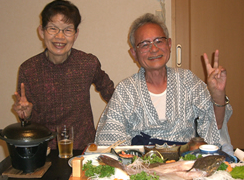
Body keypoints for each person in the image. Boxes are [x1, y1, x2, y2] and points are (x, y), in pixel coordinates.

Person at [95, 13, 233, 155]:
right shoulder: (126, 90)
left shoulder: (188, 80)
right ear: (134, 53)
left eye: (159, 41)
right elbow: (111, 137)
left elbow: (216, 125)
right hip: (141, 166)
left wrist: (218, 95)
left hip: (185, 161)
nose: (154, 49)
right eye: (144, 44)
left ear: (169, 44)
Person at [13, 0, 114, 149]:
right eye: (53, 29)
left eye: (67, 30)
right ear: (41, 31)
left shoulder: (87, 63)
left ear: (76, 34)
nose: (60, 37)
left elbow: (112, 94)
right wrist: (26, 116)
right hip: (44, 151)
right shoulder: (29, 70)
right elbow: (28, 124)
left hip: (84, 150)